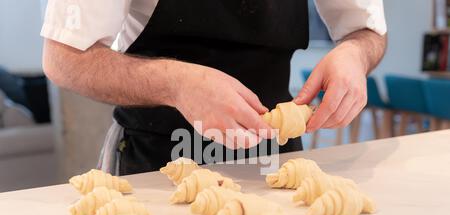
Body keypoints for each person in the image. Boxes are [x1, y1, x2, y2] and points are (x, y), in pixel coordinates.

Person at [41, 0, 387, 175]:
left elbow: (368, 30)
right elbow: (64, 58)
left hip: (278, 161)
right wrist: (177, 84)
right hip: (155, 162)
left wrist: (355, 54)